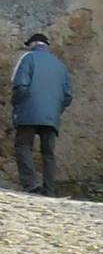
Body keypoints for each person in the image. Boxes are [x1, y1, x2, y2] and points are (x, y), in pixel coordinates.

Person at [12, 33, 72, 197]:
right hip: (51, 116)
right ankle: (50, 189)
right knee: (48, 153)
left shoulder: (28, 59)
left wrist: (16, 105)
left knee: (23, 145)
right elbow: (67, 96)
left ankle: (31, 184)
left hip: (29, 110)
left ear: (32, 44)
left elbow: (21, 86)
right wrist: (55, 110)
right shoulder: (60, 65)